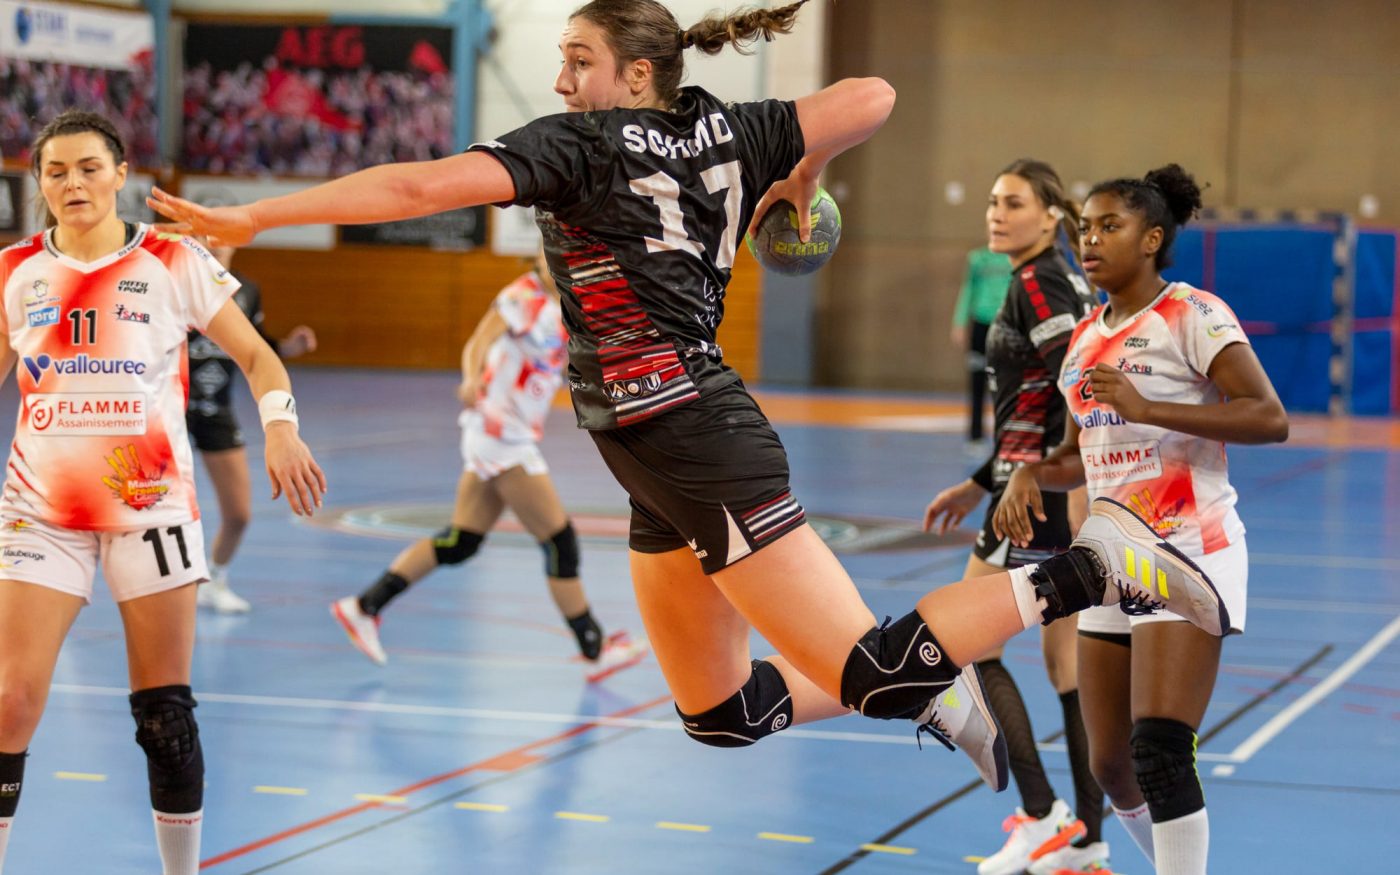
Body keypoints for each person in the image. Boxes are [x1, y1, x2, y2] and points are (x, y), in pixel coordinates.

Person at [147, 0, 1230, 796]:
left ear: (632, 76)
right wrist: (799, 171)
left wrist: (254, 218)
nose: (562, 80)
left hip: (691, 428)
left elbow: (417, 187)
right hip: (650, 446)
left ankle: (1103, 565)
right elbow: (871, 97)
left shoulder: (577, 145)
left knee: (875, 668)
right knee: (718, 713)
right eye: (562, 63)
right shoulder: (736, 128)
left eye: (577, 61)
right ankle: (927, 684)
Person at [0, 110, 325, 875]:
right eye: (56, 171)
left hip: (149, 507)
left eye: (88, 167)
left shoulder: (172, 260)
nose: (72, 182)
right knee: (10, 700)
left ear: (120, 176)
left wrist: (280, 428)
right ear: (38, 183)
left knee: (165, 717)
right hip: (40, 509)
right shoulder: (14, 270)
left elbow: (259, 358)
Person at [995, 165, 1288, 875]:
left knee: (1158, 745)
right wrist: (1033, 472)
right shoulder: (1085, 341)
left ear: (1152, 238)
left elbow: (1268, 417)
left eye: (1109, 226)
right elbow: (1076, 455)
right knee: (1110, 764)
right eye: (1085, 228)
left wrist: (1150, 406)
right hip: (1111, 559)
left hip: (1188, 547)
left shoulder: (1194, 313)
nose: (1090, 240)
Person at [331, 249, 647, 681]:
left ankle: (364, 606)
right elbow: (480, 341)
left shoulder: (568, 304)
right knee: (560, 542)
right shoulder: (523, 296)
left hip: (511, 434)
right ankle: (594, 650)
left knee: (461, 541)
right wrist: (468, 377)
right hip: (500, 435)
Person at [924, 160, 1108, 875]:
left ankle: (1040, 814)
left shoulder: (1040, 283)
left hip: (1032, 500)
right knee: (1065, 664)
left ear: (1051, 214)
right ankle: (1086, 836)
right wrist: (981, 478)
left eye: (1013, 203)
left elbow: (1077, 390)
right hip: (1024, 485)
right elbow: (1034, 401)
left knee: (969, 644)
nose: (996, 215)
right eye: (992, 202)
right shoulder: (1046, 278)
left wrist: (1033, 479)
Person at [187, 244, 317, 613]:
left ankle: (216, 579)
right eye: (204, 232)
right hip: (170, 410)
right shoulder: (173, 282)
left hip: (217, 410)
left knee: (239, 513)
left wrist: (288, 348)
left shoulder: (247, 289)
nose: (213, 241)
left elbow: (256, 347)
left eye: (222, 233)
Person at [950, 245, 1011, 446]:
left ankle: (1004, 435)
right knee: (977, 380)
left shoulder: (1013, 259)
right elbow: (968, 289)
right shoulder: (978, 259)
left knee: (1005, 383)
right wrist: (960, 322)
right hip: (980, 325)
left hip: (1004, 324)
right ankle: (975, 434)